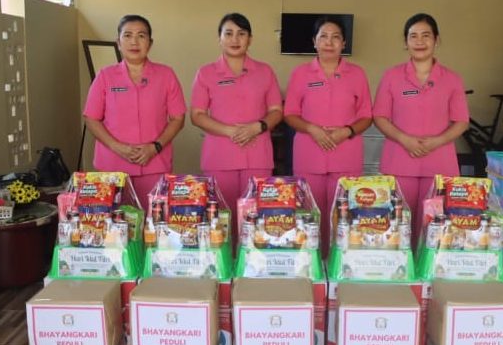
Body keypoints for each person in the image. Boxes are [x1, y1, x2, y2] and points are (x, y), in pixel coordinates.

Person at [373, 13, 469, 247]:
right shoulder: (392, 76)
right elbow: (380, 116)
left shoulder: (452, 79)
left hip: (439, 164)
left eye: (426, 35)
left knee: (434, 227)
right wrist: (404, 139)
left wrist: (437, 141)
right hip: (399, 161)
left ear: (436, 40)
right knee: (397, 225)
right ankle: (401, 266)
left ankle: (427, 268)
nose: (419, 41)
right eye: (413, 36)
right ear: (405, 42)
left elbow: (461, 121)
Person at [190, 13, 283, 246]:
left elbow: (276, 111)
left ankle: (253, 261)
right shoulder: (206, 73)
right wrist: (230, 131)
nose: (235, 39)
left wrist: (258, 126)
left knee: (257, 217)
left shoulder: (265, 71)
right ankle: (223, 262)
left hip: (258, 154)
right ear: (219, 38)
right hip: (220, 156)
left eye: (241, 34)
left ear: (250, 39)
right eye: (228, 33)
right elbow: (197, 115)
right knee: (221, 218)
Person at [284, 15, 373, 258]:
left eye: (335, 37)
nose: (329, 42)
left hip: (346, 154)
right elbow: (290, 113)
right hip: (309, 153)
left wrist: (347, 131)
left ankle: (339, 263)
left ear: (344, 43)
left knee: (343, 216)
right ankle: (310, 262)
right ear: (314, 41)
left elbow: (366, 115)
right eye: (323, 36)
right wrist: (312, 128)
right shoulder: (301, 73)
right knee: (309, 215)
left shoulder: (357, 74)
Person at [83, 15, 186, 211]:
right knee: (114, 224)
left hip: (155, 163)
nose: (134, 42)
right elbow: (91, 118)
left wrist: (155, 147)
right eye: (128, 35)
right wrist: (117, 147)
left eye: (141, 36)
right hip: (112, 166)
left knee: (153, 221)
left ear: (150, 43)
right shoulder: (105, 76)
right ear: (118, 42)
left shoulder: (166, 75)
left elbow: (178, 118)